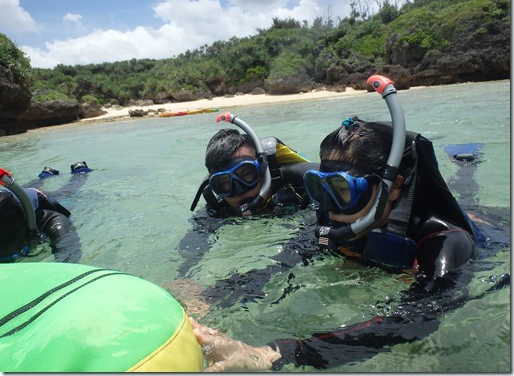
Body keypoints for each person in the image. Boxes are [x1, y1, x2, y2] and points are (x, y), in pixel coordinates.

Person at [187, 76, 510, 371]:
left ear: (394, 185)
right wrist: (212, 297)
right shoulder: (332, 218)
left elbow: (415, 320)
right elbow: (277, 267)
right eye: (320, 188)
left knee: (467, 197)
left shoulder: (446, 245)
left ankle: (466, 165)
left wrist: (275, 353)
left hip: (494, 229)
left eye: (342, 191)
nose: (327, 207)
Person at [176, 113, 319, 284]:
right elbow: (196, 238)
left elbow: (317, 234)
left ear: (263, 168)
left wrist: (263, 276)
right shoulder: (221, 208)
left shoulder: (300, 186)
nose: (239, 191)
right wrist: (183, 277)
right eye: (225, 184)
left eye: (246, 174)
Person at [0, 162, 92, 263]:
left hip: (36, 200)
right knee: (23, 187)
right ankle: (46, 175)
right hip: (16, 193)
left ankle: (80, 173)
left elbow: (70, 259)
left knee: (65, 193)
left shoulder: (45, 219)